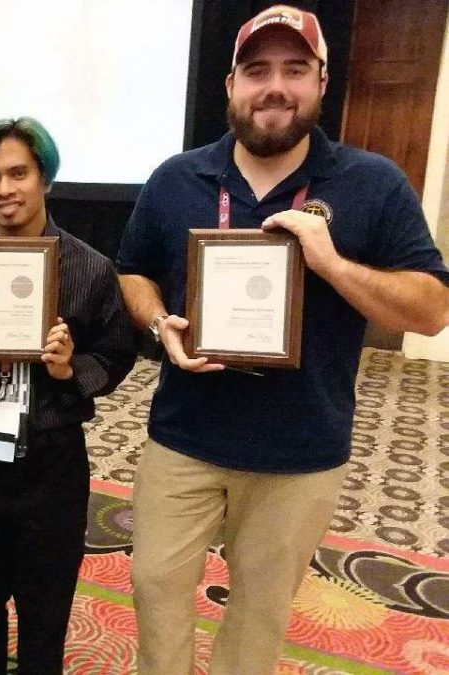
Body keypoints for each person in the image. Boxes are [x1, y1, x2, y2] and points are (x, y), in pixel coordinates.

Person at [116, 6, 449, 674]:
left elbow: (433, 308)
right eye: (257, 69)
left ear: (322, 82)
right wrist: (159, 323)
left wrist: (332, 264)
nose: (275, 86)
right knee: (154, 591)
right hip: (184, 435)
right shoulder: (177, 178)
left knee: (259, 615)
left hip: (299, 449)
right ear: (230, 84)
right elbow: (133, 271)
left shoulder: (372, 182)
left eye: (295, 69)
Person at [0, 117, 136, 675]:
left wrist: (68, 369)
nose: (4, 189)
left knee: (47, 612)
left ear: (46, 179)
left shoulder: (89, 268)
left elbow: (116, 356)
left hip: (52, 461)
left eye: (19, 173)